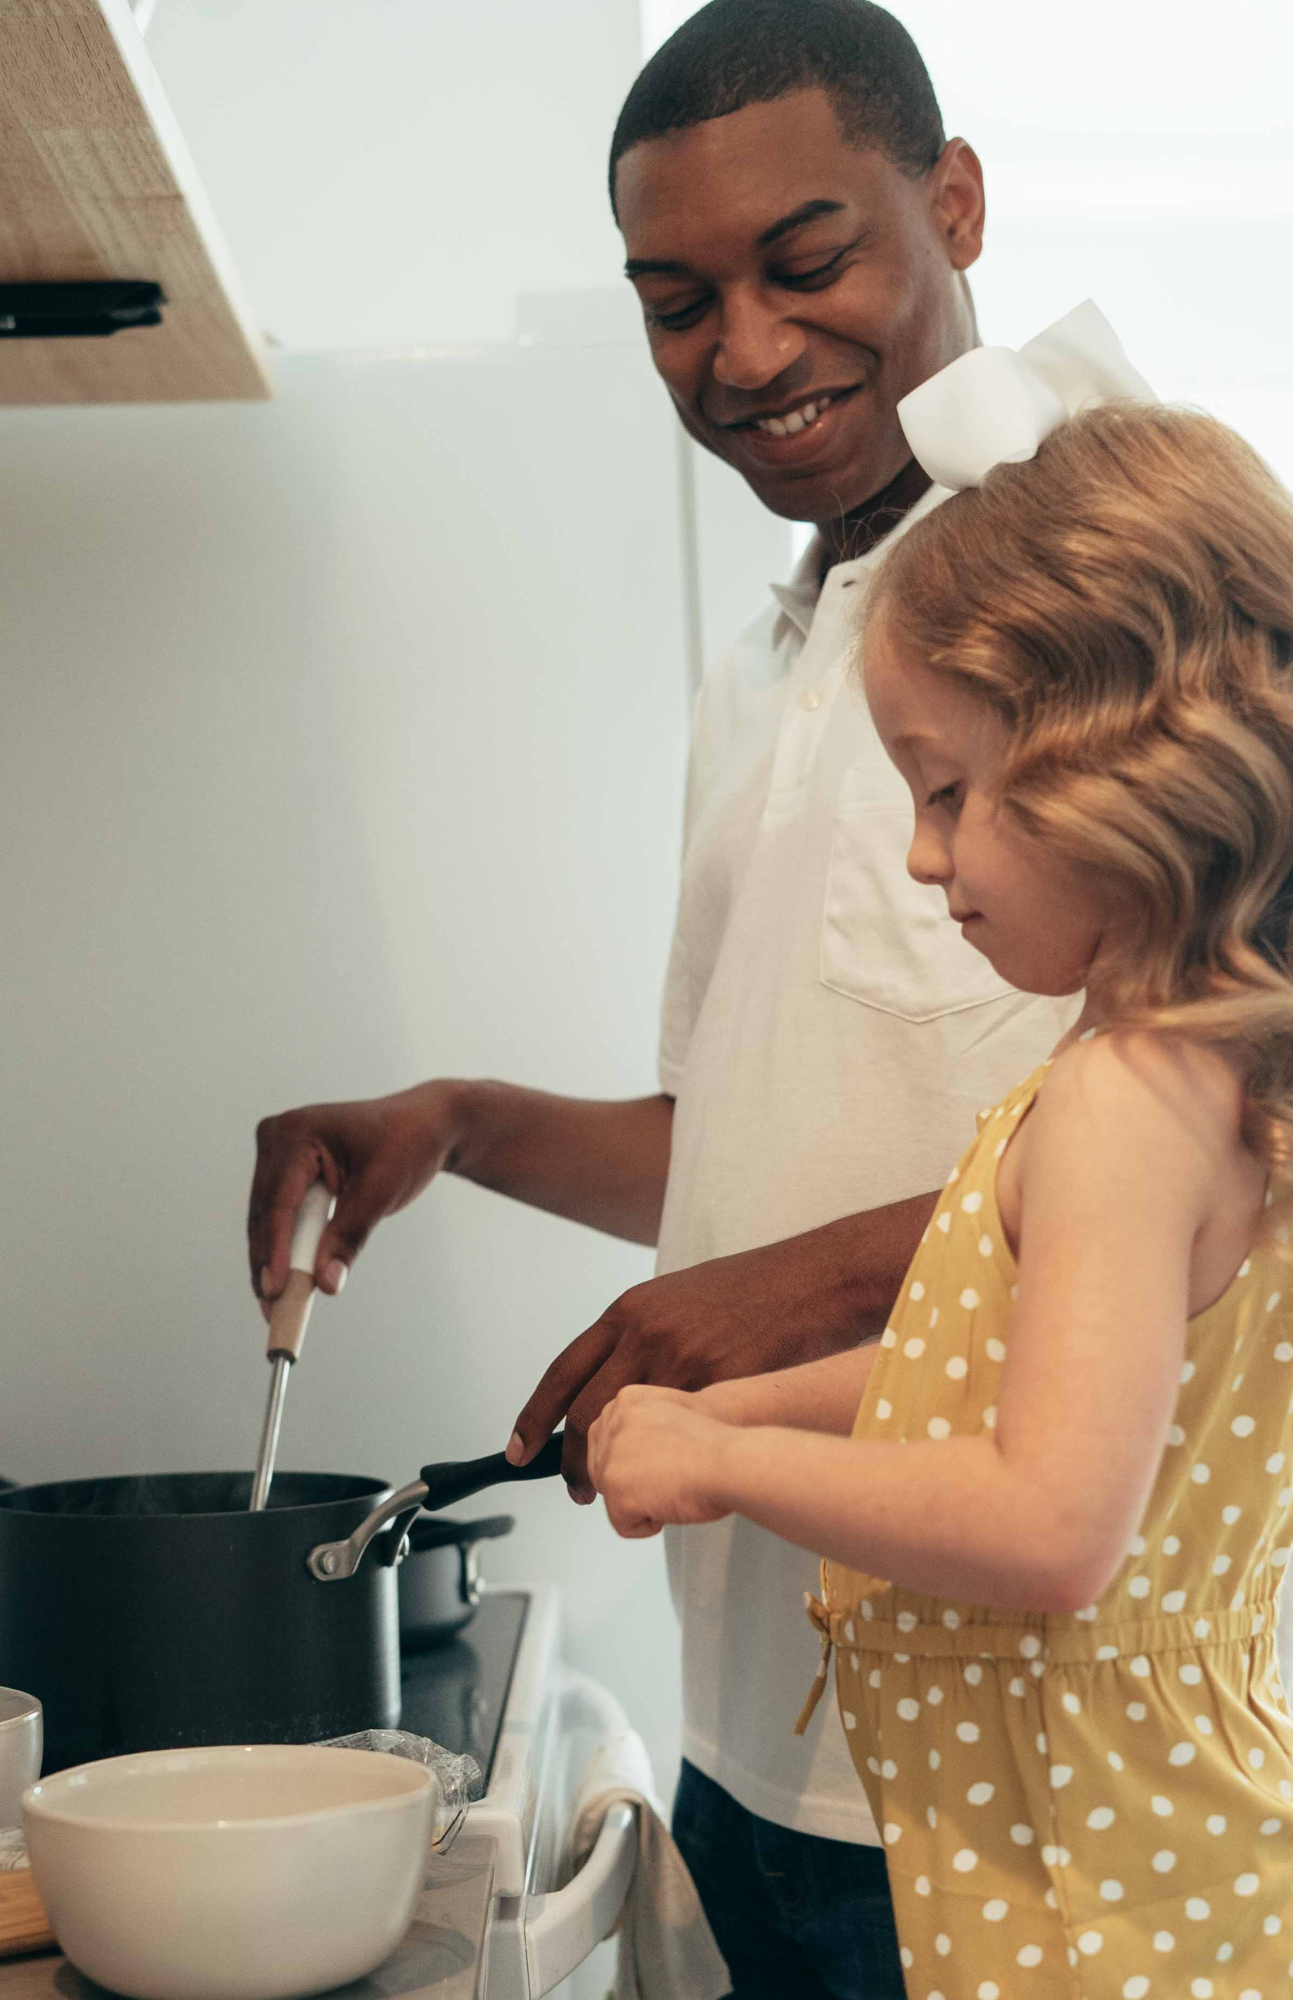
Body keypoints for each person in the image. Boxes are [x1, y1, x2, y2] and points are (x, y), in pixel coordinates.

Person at [246, 4, 1147, 1991]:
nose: (740, 351)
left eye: (803, 262)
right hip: (763, 1714)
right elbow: (730, 1157)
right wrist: (461, 1120)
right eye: (672, 301)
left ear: (953, 200)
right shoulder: (787, 634)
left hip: (1019, 1753)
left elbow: (1245, 1128)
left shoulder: (1123, 557)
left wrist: (783, 1297)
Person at [587, 390, 1293, 1996]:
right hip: (1128, 1849)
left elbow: (1048, 1528)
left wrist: (721, 1464)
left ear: (1121, 761)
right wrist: (753, 1408)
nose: (921, 858)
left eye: (946, 790)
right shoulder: (1197, 1069)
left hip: (1087, 1885)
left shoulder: (1124, 1100)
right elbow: (968, 1376)